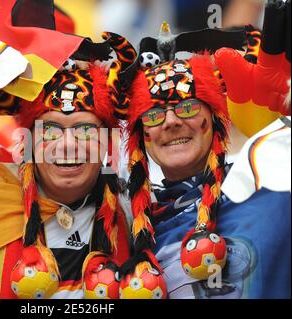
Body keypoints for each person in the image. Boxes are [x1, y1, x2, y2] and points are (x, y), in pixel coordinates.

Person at [0, 33, 136, 299]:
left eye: (84, 130)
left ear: (107, 142)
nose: (67, 145)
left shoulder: (131, 213)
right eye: (50, 131)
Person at [120, 0, 290, 299]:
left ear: (214, 119)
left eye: (187, 107)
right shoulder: (128, 229)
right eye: (154, 114)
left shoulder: (265, 173)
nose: (171, 122)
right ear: (140, 136)